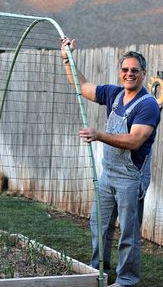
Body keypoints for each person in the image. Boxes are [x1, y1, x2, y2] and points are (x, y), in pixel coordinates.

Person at [60, 37, 160, 287]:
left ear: (143, 74)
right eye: (125, 69)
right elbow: (80, 85)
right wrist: (66, 57)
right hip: (108, 175)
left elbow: (135, 140)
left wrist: (100, 135)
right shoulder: (114, 94)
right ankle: (98, 271)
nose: (129, 74)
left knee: (128, 232)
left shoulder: (148, 105)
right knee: (99, 225)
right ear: (120, 72)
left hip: (130, 178)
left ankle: (126, 279)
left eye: (134, 71)